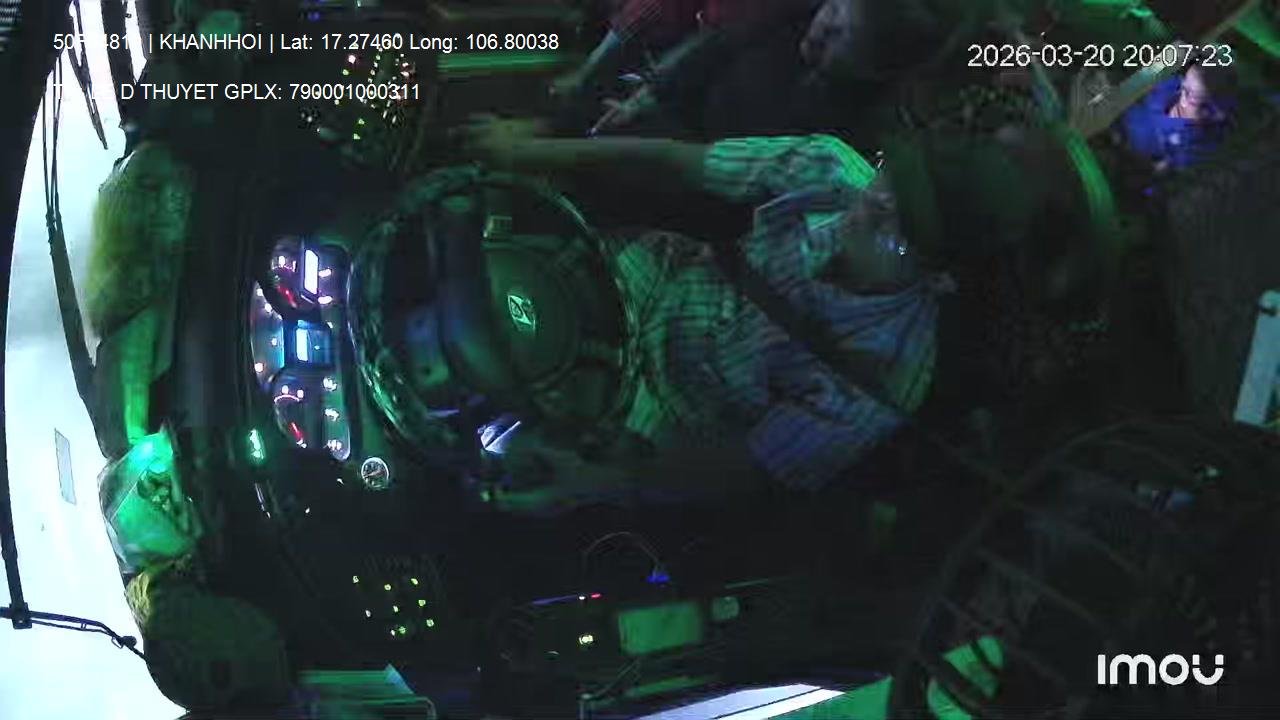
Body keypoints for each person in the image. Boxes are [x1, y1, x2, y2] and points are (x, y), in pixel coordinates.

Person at [454, 121, 943, 516]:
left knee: (497, 464)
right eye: (892, 178)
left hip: (665, 411)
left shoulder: (882, 378)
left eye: (905, 223)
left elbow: (745, 471)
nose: (873, 203)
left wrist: (594, 483)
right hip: (654, 275)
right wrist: (526, 152)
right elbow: (672, 160)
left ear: (941, 277)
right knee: (483, 276)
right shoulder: (830, 168)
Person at [1122, 63, 1236, 174]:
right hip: (1126, 116)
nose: (1182, 98)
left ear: (1212, 113)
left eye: (1191, 96)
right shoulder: (1170, 86)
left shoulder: (1193, 142)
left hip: (1137, 151)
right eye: (1183, 85)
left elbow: (1181, 159)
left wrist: (1165, 164)